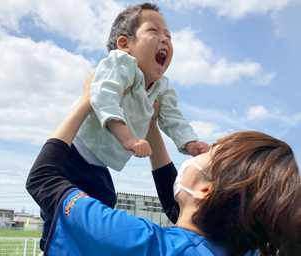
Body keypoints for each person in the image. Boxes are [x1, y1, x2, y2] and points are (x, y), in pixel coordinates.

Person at [27, 70, 301, 256]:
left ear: (205, 192)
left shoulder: (140, 242)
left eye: (210, 153)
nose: (197, 155)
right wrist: (151, 126)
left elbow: (42, 179)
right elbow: (184, 217)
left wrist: (88, 100)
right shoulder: (242, 248)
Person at [38, 2, 209, 252]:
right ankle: (48, 247)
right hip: (73, 156)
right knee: (58, 211)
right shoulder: (119, 65)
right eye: (154, 31)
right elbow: (103, 97)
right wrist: (126, 138)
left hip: (99, 164)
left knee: (105, 202)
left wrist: (190, 143)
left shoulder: (162, 88)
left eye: (169, 36)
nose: (165, 40)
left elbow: (173, 118)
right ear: (124, 45)